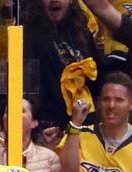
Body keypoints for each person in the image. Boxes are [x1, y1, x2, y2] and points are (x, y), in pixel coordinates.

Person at [24, 0, 100, 130]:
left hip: (85, 122)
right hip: (49, 128)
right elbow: (28, 89)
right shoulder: (29, 35)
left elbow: (95, 79)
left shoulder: (82, 31)